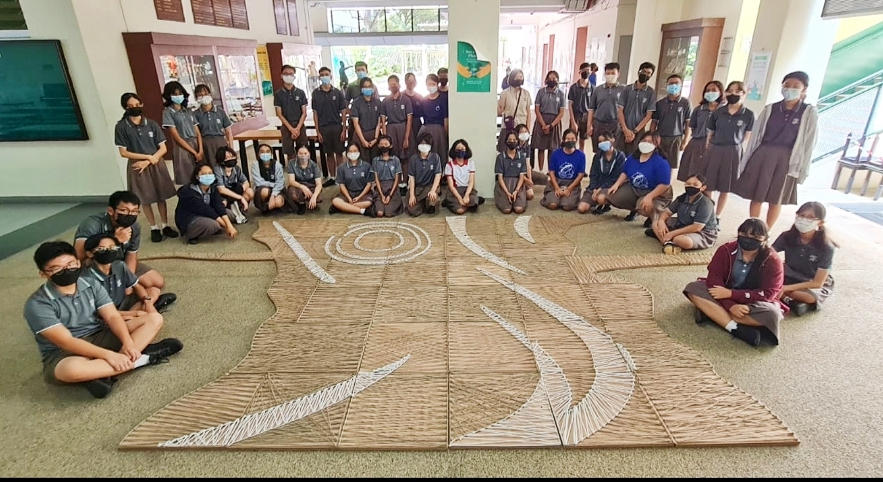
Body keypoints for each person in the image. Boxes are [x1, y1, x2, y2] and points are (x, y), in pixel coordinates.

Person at [23, 241, 183, 398]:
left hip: (100, 333)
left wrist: (127, 342)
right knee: (71, 370)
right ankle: (142, 359)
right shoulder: (36, 305)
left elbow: (112, 316)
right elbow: (66, 341)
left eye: (70, 264)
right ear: (43, 274)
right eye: (56, 269)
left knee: (154, 318)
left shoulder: (90, 283)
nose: (66, 270)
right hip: (63, 352)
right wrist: (110, 355)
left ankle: (100, 374)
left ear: (78, 262)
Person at [683, 218, 786, 347]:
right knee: (694, 288)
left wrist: (731, 294)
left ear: (765, 239)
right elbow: (714, 281)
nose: (748, 238)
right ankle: (736, 329)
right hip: (723, 294)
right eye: (744, 234)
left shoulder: (772, 259)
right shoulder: (725, 250)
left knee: (772, 314)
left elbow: (769, 294)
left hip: (753, 302)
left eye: (755, 236)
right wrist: (731, 305)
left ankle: (714, 315)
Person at [735, 71, 819, 228]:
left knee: (776, 198)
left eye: (796, 86)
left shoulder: (809, 113)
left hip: (787, 159)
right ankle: (754, 227)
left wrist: (802, 168)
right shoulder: (770, 109)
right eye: (787, 85)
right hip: (763, 155)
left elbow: (809, 142)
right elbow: (756, 137)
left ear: (804, 90)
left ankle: (767, 230)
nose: (790, 89)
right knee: (757, 196)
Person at [73, 190, 175, 310]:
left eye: (134, 211)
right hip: (96, 264)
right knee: (108, 294)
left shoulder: (134, 226)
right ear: (111, 211)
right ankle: (134, 308)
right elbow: (78, 256)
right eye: (124, 210)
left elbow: (131, 255)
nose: (129, 214)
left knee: (157, 282)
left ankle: (143, 304)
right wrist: (115, 240)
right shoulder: (92, 224)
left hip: (119, 263)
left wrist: (128, 282)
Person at [114, 93, 179, 243]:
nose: (134, 108)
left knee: (161, 195)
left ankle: (165, 225)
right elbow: (123, 152)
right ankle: (154, 227)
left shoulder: (151, 124)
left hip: (155, 163)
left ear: (141, 104)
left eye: (137, 104)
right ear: (125, 107)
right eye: (130, 106)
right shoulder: (122, 127)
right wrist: (147, 158)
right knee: (145, 198)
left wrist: (150, 160)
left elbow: (163, 147)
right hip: (137, 166)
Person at [773, 202, 836, 316]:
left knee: (809, 297)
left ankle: (784, 296)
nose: (804, 220)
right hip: (788, 274)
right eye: (801, 215)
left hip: (810, 281)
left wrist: (785, 288)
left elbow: (818, 283)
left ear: (820, 222)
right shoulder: (786, 236)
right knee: (762, 276)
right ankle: (791, 301)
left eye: (811, 217)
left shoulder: (826, 247)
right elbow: (769, 253)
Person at [704, 80, 754, 218]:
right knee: (708, 183)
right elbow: (710, 133)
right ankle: (708, 214)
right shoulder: (718, 112)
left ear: (744, 94)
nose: (734, 94)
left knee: (725, 187)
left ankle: (717, 216)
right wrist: (708, 148)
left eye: (738, 91)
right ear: (726, 93)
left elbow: (747, 136)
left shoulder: (748, 114)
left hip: (733, 151)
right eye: (730, 91)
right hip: (715, 149)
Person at [600, 131, 673, 225]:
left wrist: (650, 197)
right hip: (635, 188)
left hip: (656, 192)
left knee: (644, 208)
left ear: (656, 145)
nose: (646, 143)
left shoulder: (661, 162)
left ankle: (656, 215)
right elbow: (625, 172)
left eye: (650, 142)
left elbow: (664, 185)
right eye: (644, 140)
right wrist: (616, 185)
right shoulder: (632, 157)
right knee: (612, 196)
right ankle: (635, 209)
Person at [82, 233, 157, 317]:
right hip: (107, 314)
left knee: (153, 291)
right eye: (101, 249)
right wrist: (136, 313)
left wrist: (147, 302)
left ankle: (134, 316)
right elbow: (99, 312)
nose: (108, 251)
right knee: (151, 320)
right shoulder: (86, 279)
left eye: (112, 248)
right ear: (90, 253)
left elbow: (137, 286)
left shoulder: (119, 265)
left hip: (123, 304)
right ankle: (132, 317)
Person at [647, 174, 718, 254]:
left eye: (695, 185)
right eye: (688, 184)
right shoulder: (682, 198)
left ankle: (666, 238)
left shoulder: (706, 204)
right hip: (681, 225)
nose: (691, 186)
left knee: (681, 240)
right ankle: (667, 243)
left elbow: (697, 227)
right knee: (655, 223)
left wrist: (672, 233)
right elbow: (667, 213)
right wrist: (661, 222)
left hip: (702, 232)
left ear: (703, 188)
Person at [175, 163, 238, 245]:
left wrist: (229, 225)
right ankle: (191, 235)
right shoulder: (189, 191)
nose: (207, 176)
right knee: (214, 225)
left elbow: (218, 205)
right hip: (190, 219)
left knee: (230, 215)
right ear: (197, 176)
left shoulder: (212, 187)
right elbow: (205, 209)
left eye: (210, 173)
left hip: (205, 214)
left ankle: (210, 227)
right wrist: (227, 227)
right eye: (203, 174)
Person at [678, 80, 724, 183]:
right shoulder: (699, 109)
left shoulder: (724, 111)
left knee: (709, 177)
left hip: (715, 145)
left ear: (720, 92)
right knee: (692, 173)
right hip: (697, 143)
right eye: (708, 90)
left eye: (714, 90)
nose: (710, 92)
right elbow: (692, 126)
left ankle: (706, 198)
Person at [311, 66, 348, 188]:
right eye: (322, 75)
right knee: (329, 154)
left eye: (326, 74)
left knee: (339, 153)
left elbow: (343, 112)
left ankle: (341, 177)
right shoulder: (316, 93)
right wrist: (318, 131)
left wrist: (343, 129)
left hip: (337, 126)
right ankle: (332, 177)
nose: (324, 77)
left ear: (330, 76)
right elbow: (315, 113)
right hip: (324, 128)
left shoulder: (337, 92)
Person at [161, 81, 203, 184]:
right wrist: (193, 152)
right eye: (174, 94)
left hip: (195, 144)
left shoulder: (188, 111)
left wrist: (200, 150)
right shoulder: (168, 112)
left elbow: (197, 131)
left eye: (180, 93)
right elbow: (176, 136)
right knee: (187, 177)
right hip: (182, 147)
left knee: (201, 175)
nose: (178, 96)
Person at [578, 131, 626, 214]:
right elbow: (593, 174)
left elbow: (616, 177)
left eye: (604, 140)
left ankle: (606, 204)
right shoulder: (597, 156)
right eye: (600, 141)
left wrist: (600, 189)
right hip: (596, 186)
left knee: (600, 199)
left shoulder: (620, 156)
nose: (602, 143)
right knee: (581, 208)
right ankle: (595, 201)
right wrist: (594, 188)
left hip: (610, 186)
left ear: (612, 140)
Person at [651, 74, 692, 170]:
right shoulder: (660, 104)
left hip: (676, 138)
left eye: (676, 83)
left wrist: (685, 141)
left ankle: (668, 184)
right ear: (667, 86)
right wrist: (652, 136)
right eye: (671, 83)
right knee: (658, 161)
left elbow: (688, 124)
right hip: (660, 137)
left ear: (681, 85)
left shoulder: (685, 103)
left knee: (672, 165)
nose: (673, 86)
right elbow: (654, 122)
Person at [381, 75, 414, 187]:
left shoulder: (406, 99)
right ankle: (396, 182)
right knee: (394, 157)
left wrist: (406, 137)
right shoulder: (385, 101)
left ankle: (404, 182)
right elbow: (383, 119)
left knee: (405, 157)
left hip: (403, 128)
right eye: (390, 84)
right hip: (390, 129)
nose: (393, 85)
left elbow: (409, 119)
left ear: (399, 84)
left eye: (395, 83)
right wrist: (385, 137)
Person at [541, 129, 585, 211]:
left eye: (573, 139)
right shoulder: (556, 153)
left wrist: (569, 189)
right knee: (553, 205)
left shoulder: (581, 155)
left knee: (567, 207)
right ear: (563, 140)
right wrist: (557, 188)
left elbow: (581, 175)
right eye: (568, 139)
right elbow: (551, 172)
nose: (570, 141)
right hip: (557, 182)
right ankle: (552, 197)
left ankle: (570, 198)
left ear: (576, 140)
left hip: (572, 183)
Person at [618, 62, 657, 156]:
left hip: (638, 132)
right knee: (619, 155)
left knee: (634, 156)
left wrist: (634, 131)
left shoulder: (650, 92)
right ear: (638, 72)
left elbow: (649, 115)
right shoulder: (627, 89)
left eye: (649, 73)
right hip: (622, 129)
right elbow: (620, 110)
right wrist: (625, 129)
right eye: (644, 71)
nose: (646, 74)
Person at [532, 70, 566, 172]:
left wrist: (551, 126)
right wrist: (543, 125)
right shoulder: (541, 92)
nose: (552, 80)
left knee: (552, 148)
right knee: (541, 148)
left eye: (554, 78)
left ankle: (550, 171)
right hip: (541, 121)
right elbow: (537, 109)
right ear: (546, 80)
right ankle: (541, 171)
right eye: (550, 78)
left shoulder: (560, 94)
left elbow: (561, 113)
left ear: (558, 80)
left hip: (554, 123)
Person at [587, 62, 626, 152]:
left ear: (618, 74)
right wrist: (589, 125)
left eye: (613, 73)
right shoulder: (598, 89)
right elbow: (591, 109)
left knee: (614, 150)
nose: (610, 76)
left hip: (615, 124)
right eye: (608, 73)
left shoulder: (624, 89)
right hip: (599, 124)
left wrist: (624, 127)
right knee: (598, 150)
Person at [274, 64, 309, 163]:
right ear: (281, 75)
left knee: (303, 151)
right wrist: (291, 129)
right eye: (286, 74)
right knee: (290, 153)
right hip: (286, 127)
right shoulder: (278, 94)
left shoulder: (300, 92)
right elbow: (279, 114)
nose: (288, 76)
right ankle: (292, 173)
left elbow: (304, 113)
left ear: (294, 76)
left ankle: (304, 172)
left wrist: (297, 128)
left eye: (291, 74)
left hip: (300, 126)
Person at [193, 83, 233, 167]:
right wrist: (200, 150)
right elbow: (197, 134)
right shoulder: (196, 114)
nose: (203, 97)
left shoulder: (220, 111)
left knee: (224, 165)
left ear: (210, 94)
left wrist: (231, 148)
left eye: (205, 94)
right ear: (196, 98)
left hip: (220, 142)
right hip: (205, 144)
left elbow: (228, 131)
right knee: (210, 166)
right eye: (200, 95)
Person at [330, 143, 375, 216]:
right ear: (347, 153)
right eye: (350, 151)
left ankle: (342, 208)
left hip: (363, 194)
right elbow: (342, 185)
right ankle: (362, 211)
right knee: (335, 201)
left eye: (355, 151)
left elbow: (369, 184)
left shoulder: (366, 166)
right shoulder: (342, 167)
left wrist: (359, 197)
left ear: (359, 152)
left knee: (369, 203)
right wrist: (348, 197)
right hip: (347, 194)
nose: (353, 153)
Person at [406, 133, 444, 217]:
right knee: (412, 210)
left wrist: (433, 190)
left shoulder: (435, 157)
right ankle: (422, 203)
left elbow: (438, 175)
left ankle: (430, 202)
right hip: (418, 188)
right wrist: (412, 195)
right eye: (422, 143)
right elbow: (411, 178)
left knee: (432, 201)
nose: (424, 146)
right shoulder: (413, 159)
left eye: (426, 144)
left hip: (430, 186)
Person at [213, 147, 253, 225]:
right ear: (221, 160)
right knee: (224, 204)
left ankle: (239, 209)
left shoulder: (236, 168)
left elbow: (246, 183)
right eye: (227, 158)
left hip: (234, 192)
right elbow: (221, 190)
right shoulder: (217, 170)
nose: (231, 159)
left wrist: (241, 189)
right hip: (222, 196)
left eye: (232, 156)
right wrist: (240, 197)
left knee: (249, 191)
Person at [497, 68, 532, 153]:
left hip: (522, 128)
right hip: (508, 126)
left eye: (521, 77)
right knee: (505, 151)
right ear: (512, 78)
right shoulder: (505, 93)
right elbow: (499, 111)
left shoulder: (526, 94)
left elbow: (528, 113)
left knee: (521, 153)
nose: (519, 79)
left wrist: (528, 129)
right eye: (517, 77)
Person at [443, 139, 481, 214]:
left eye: (463, 149)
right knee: (460, 211)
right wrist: (460, 198)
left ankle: (469, 203)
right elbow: (451, 185)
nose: (460, 151)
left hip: (467, 190)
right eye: (458, 150)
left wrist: (466, 195)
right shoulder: (449, 165)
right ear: (454, 151)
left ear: (466, 150)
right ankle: (452, 203)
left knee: (472, 203)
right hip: (455, 191)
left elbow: (471, 182)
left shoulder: (471, 163)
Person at [494, 131, 528, 214]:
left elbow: (521, 176)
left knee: (519, 209)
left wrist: (516, 191)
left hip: (518, 185)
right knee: (506, 210)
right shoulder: (500, 157)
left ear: (517, 141)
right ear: (506, 141)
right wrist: (507, 192)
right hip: (504, 185)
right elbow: (500, 178)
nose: (512, 142)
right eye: (509, 140)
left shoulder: (522, 156)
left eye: (514, 140)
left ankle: (520, 197)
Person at [417, 74, 449, 160]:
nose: (431, 86)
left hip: (439, 130)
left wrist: (445, 135)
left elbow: (445, 119)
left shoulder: (443, 99)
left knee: (440, 154)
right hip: (426, 129)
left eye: (433, 84)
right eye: (429, 84)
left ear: (437, 84)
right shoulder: (424, 100)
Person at [285, 144, 324, 215]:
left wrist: (314, 196)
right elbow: (291, 181)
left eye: (305, 153)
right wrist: (302, 187)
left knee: (319, 196)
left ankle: (310, 200)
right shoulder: (291, 163)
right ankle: (300, 203)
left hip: (311, 186)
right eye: (300, 153)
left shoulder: (314, 165)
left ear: (309, 154)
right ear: (297, 154)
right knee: (292, 193)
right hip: (297, 186)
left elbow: (319, 184)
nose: (303, 156)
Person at [371, 135, 404, 218]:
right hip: (380, 188)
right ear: (378, 146)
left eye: (386, 144)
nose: (384, 146)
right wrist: (382, 195)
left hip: (392, 187)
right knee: (380, 213)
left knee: (389, 214)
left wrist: (390, 195)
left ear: (391, 145)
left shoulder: (395, 160)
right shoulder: (375, 160)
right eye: (381, 144)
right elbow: (376, 179)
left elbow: (397, 179)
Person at [251, 144, 286, 214]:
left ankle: (272, 206)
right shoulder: (255, 165)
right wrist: (272, 184)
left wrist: (273, 195)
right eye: (262, 152)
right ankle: (264, 207)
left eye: (267, 151)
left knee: (278, 202)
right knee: (264, 191)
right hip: (263, 189)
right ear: (258, 154)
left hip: (277, 189)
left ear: (271, 153)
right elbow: (259, 182)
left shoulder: (277, 165)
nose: (265, 154)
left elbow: (280, 182)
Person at [515, 124, 547, 201]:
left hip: (526, 172)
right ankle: (519, 190)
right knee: (530, 195)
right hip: (516, 175)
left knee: (547, 179)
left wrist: (530, 179)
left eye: (526, 131)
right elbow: (514, 168)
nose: (524, 134)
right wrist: (526, 180)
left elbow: (528, 164)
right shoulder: (514, 147)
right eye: (521, 132)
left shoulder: (527, 147)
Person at [569, 62, 594, 152]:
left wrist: (590, 124)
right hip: (576, 116)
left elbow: (593, 108)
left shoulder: (593, 88)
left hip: (586, 117)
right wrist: (573, 121)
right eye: (584, 70)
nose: (586, 72)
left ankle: (580, 157)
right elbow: (570, 105)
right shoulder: (574, 88)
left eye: (588, 70)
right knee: (572, 139)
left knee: (582, 141)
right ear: (580, 72)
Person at [403, 72, 424, 167]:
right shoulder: (401, 96)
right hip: (405, 124)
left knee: (417, 146)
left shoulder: (419, 97)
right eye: (409, 81)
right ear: (405, 82)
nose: (411, 83)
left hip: (416, 124)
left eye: (413, 81)